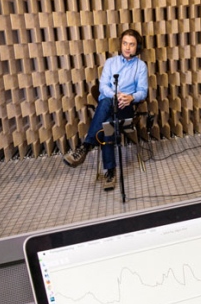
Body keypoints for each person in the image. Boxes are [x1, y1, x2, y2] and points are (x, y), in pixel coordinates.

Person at [63, 29, 149, 188]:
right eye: (125, 43)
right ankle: (110, 172)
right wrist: (116, 95)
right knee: (107, 122)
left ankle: (86, 146)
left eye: (131, 44)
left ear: (138, 47)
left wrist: (131, 97)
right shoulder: (111, 63)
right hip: (110, 104)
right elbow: (103, 87)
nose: (127, 48)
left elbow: (143, 91)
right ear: (121, 44)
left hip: (126, 109)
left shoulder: (141, 66)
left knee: (105, 105)